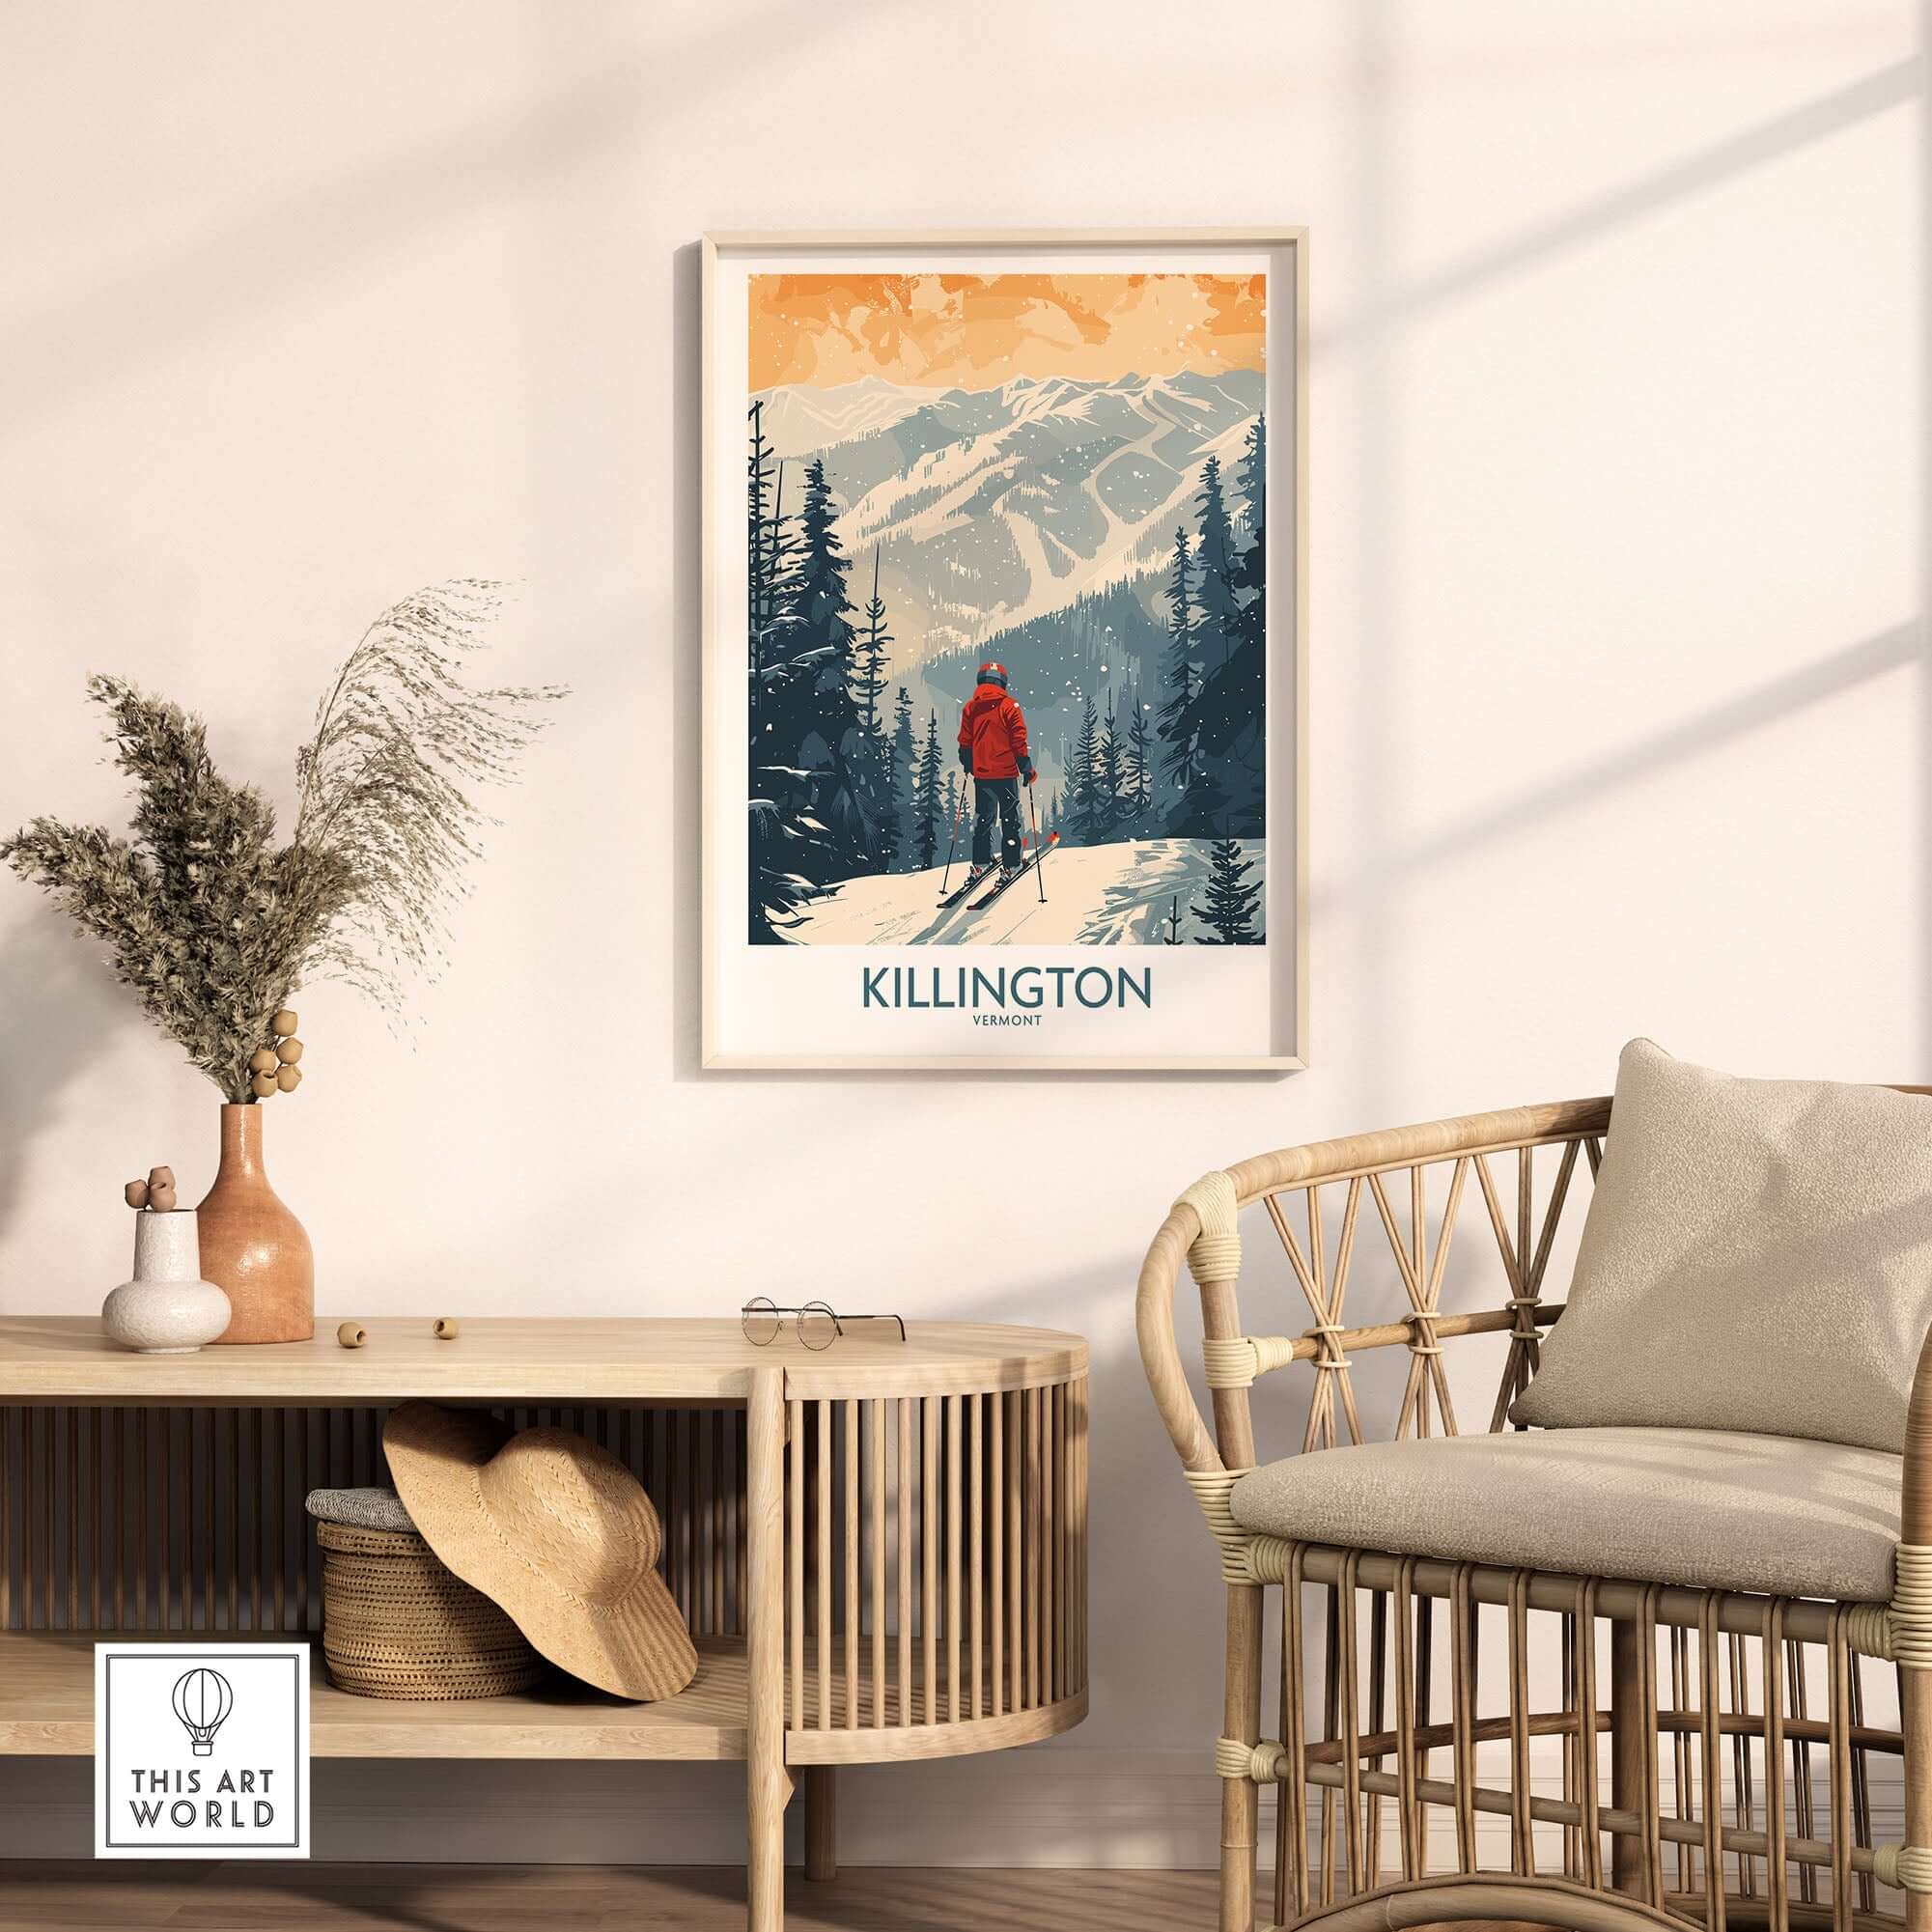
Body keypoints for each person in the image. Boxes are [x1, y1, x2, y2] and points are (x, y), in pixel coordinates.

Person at [957, 660, 1035, 880]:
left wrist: (969, 763)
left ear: (980, 681)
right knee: (1009, 819)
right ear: (1003, 682)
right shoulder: (1009, 706)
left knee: (983, 818)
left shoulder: (971, 707)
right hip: (1007, 773)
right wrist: (1026, 768)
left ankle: (980, 862)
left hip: (983, 774)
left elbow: (965, 741)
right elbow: (1018, 739)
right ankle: (1011, 863)